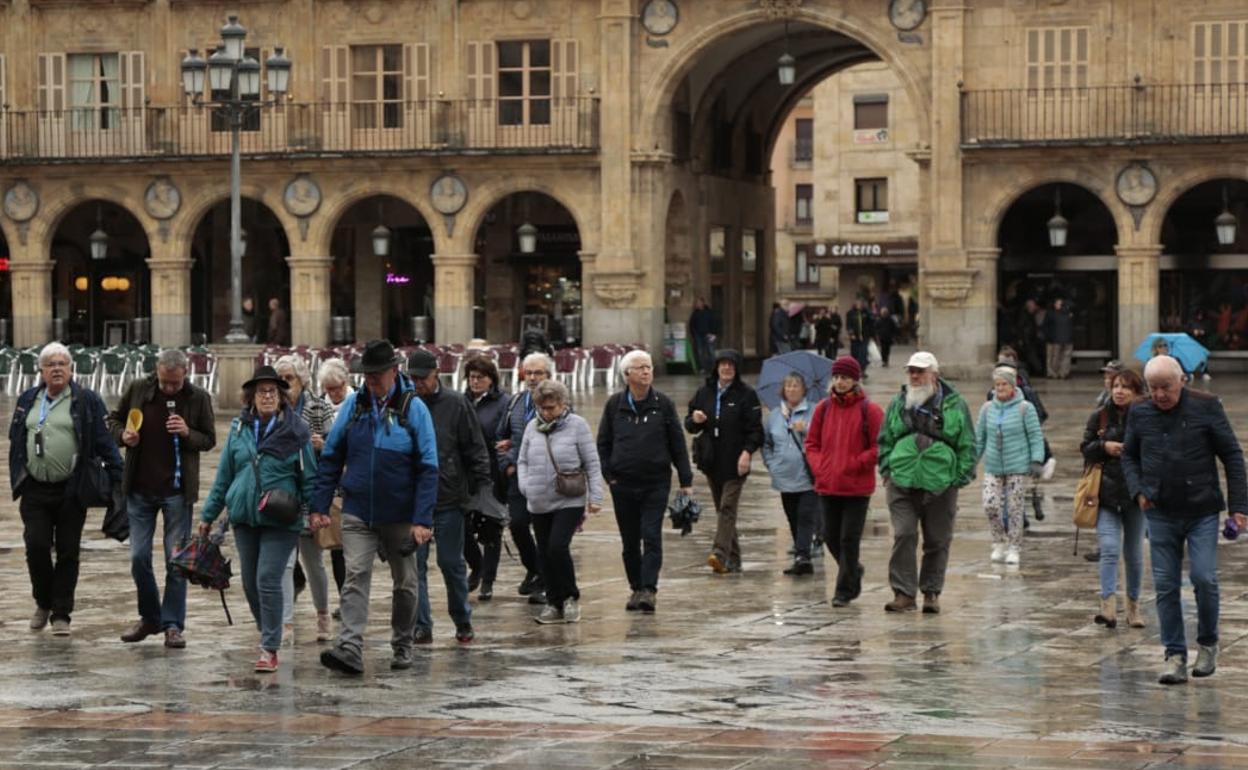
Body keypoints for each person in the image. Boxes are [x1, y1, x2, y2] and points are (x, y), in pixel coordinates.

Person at [312, 340, 439, 675]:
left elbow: (429, 467)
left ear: (394, 371)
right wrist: (319, 506)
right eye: (366, 374)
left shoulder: (414, 409)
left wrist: (422, 519)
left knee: (406, 583)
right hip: (357, 510)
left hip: (400, 514)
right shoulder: (354, 406)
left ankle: (403, 643)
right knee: (355, 575)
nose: (370, 379)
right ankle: (350, 648)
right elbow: (331, 457)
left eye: (376, 374)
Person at [1122, 355, 1247, 685]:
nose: (1160, 394)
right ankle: (1174, 654)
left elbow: (1232, 455)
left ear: (1182, 381)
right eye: (1154, 388)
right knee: (1165, 585)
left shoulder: (1207, 406)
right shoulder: (1140, 411)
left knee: (1204, 578)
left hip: (1201, 509)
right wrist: (1137, 490)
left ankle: (1208, 643)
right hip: (1159, 509)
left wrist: (1239, 508)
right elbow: (1129, 455)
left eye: (1166, 387)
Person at [198, 366, 317, 672]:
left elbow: (310, 477)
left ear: (281, 397)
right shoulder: (239, 429)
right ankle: (269, 631)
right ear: (250, 397)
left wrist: (316, 511)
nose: (267, 396)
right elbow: (224, 475)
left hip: (281, 518)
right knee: (250, 584)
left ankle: (269, 646)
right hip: (244, 517)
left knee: (267, 579)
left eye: (273, 391)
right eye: (261, 391)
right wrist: (208, 515)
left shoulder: (296, 432)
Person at [9, 342, 123, 636]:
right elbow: (17, 439)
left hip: (72, 488)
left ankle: (61, 613)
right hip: (35, 487)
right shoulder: (28, 398)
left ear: (71, 369)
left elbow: (103, 440)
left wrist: (120, 478)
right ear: (42, 371)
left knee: (68, 551)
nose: (57, 368)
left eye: (62, 363)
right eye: (51, 364)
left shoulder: (86, 400)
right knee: (36, 545)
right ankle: (43, 602)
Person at [111, 349, 216, 649]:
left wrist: (187, 432)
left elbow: (209, 439)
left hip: (177, 491)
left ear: (185, 373)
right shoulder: (139, 389)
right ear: (157, 372)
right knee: (138, 557)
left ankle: (172, 625)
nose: (169, 388)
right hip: (140, 489)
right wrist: (124, 437)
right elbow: (114, 420)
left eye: (175, 383)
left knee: (175, 560)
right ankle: (150, 617)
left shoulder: (197, 397)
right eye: (164, 382)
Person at [877, 352, 975, 614]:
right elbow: (885, 437)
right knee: (904, 533)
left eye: (920, 371)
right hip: (901, 479)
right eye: (911, 371)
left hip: (941, 482)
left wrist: (958, 477)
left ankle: (931, 592)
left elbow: (968, 444)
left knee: (937, 539)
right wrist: (886, 467)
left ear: (935, 374)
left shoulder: (955, 405)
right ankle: (903, 593)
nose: (915, 376)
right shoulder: (899, 402)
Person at [598, 350, 692, 612]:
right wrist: (609, 476)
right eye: (639, 368)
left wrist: (686, 479)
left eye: (648, 367)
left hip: (655, 483)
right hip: (623, 484)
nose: (646, 372)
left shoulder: (663, 404)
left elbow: (677, 444)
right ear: (627, 374)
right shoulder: (615, 405)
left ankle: (649, 589)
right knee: (629, 541)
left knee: (651, 536)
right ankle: (636, 587)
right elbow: (603, 443)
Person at [409, 350, 491, 645]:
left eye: (422, 378)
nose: (417, 383)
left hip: (449, 496)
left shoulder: (456, 403)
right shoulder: (406, 403)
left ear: (436, 375)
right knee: (413, 567)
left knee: (451, 562)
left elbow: (475, 447)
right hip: (414, 499)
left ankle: (462, 619)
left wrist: (482, 490)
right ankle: (421, 624)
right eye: (412, 378)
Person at [517, 380, 604, 624]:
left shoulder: (578, 426)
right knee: (544, 552)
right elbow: (522, 460)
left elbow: (592, 463)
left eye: (551, 408)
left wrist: (595, 497)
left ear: (563, 405)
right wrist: (525, 485)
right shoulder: (532, 428)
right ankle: (554, 601)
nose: (546, 413)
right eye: (542, 408)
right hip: (538, 499)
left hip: (569, 499)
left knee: (557, 546)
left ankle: (570, 597)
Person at [806, 356, 883, 607]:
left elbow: (879, 445)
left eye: (845, 378)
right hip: (828, 484)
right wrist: (820, 466)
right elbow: (812, 444)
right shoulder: (823, 408)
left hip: (856, 487)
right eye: (837, 377)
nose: (840, 382)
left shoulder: (869, 410)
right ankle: (853, 571)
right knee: (829, 535)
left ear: (855, 380)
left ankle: (843, 591)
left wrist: (857, 462)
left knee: (849, 538)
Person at [273, 354, 338, 643]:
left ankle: (323, 614)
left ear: (302, 381)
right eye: (281, 379)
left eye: (290, 379)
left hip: (312, 493)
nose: (285, 385)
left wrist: (321, 444)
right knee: (286, 562)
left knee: (313, 562)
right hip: (283, 495)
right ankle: (286, 623)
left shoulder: (319, 406)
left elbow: (337, 449)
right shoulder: (272, 410)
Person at [1081, 368, 1147, 630]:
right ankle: (1107, 607)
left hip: (1134, 496)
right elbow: (1085, 448)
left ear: (1137, 392)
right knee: (1109, 549)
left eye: (1126, 387)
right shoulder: (1100, 417)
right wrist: (1103, 447)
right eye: (1116, 386)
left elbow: (1155, 450)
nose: (1119, 391)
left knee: (1133, 554)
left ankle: (1133, 606)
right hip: (1105, 495)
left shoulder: (1144, 418)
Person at [685, 349, 763, 574]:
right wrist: (695, 420)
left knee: (728, 507)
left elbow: (756, 430)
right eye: (723, 364)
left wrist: (747, 453)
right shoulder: (704, 393)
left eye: (731, 365)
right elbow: (689, 424)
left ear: (737, 369)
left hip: (736, 462)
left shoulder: (746, 395)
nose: (727, 368)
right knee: (723, 510)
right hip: (711, 461)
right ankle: (734, 558)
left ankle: (719, 553)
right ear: (716, 367)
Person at [497, 352, 557, 605]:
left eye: (538, 373)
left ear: (549, 376)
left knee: (545, 531)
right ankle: (534, 567)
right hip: (518, 475)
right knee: (518, 524)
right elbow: (500, 439)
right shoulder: (515, 403)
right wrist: (508, 464)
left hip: (548, 478)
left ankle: (544, 580)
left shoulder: (559, 403)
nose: (532, 378)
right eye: (528, 373)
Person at [974, 364, 1045, 566]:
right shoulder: (987, 408)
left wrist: (1036, 460)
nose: (1000, 388)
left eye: (1004, 384)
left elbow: (1035, 436)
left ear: (1013, 386)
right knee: (990, 504)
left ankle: (1014, 546)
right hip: (993, 465)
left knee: (1014, 508)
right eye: (997, 384)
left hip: (1017, 466)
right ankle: (998, 541)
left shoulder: (1025, 408)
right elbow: (979, 438)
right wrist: (971, 462)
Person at [761, 373, 820, 576]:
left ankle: (803, 556)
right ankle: (801, 554)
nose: (792, 389)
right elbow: (767, 444)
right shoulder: (775, 416)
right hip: (784, 477)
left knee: (805, 516)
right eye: (788, 386)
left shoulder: (814, 411)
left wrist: (807, 429)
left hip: (807, 475)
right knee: (792, 516)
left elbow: (823, 437)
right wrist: (772, 464)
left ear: (804, 389)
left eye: (796, 386)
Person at [462, 355, 509, 601]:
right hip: (465, 473)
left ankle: (488, 580)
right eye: (471, 377)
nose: (475, 382)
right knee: (461, 525)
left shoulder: (503, 403)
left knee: (492, 527)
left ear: (491, 380)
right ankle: (476, 565)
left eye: (480, 377)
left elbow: (506, 433)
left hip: (492, 473)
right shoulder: (462, 401)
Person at [316, 358, 352, 609]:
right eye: (329, 389)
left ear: (346, 382)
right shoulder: (317, 407)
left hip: (356, 481)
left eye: (337, 387)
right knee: (338, 547)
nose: (334, 393)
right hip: (334, 484)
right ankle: (345, 599)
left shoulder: (357, 402)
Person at [1043, 297, 1074, 379]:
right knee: (1065, 357)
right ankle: (1063, 373)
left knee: (1054, 357)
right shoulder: (1069, 314)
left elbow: (1046, 326)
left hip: (1055, 339)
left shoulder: (1051, 314)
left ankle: (1053, 373)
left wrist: (1047, 337)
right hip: (1068, 339)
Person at [689, 297, 718, 375]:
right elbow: (692, 324)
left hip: (708, 334)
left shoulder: (709, 312)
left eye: (699, 303)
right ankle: (702, 368)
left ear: (703, 303)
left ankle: (713, 368)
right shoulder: (695, 313)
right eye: (696, 303)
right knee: (700, 352)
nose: (697, 304)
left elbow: (714, 322)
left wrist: (714, 333)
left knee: (711, 352)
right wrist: (694, 334)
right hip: (698, 335)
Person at [846, 300, 874, 378]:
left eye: (860, 303)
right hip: (854, 338)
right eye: (857, 303)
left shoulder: (866, 313)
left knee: (863, 355)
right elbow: (848, 325)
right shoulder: (850, 313)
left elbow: (871, 324)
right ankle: (855, 370)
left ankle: (862, 371)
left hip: (864, 337)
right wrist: (851, 334)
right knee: (855, 355)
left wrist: (871, 336)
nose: (859, 305)